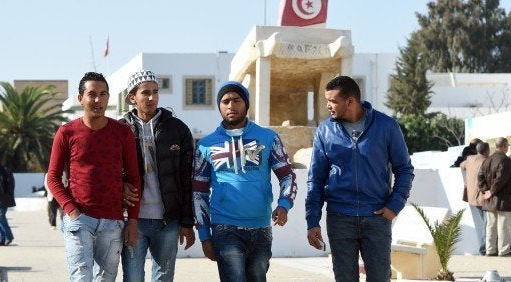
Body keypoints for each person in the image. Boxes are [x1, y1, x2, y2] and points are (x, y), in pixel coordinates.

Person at [306, 76, 415, 281]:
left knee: (380, 278)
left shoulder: (386, 126)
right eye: (327, 100)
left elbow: (404, 169)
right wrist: (312, 220)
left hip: (376, 218)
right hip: (340, 218)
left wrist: (395, 205)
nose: (328, 106)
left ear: (350, 101)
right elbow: (316, 180)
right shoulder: (325, 131)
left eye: (333, 101)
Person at [192, 81, 297, 282]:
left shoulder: (268, 138)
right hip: (224, 227)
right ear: (219, 106)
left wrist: (284, 205)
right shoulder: (206, 145)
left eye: (236, 100)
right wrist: (205, 235)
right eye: (225, 101)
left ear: (246, 104)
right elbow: (198, 193)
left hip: (261, 228)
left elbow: (287, 175)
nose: (231, 106)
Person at [46, 72, 141, 281]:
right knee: (81, 278)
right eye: (92, 94)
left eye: (103, 94)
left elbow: (134, 178)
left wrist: (132, 221)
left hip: (113, 222)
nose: (98, 100)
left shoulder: (122, 133)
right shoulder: (67, 132)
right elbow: (52, 177)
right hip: (80, 220)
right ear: (81, 98)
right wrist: (71, 211)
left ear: (108, 97)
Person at [119, 70, 195, 281]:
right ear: (132, 98)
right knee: (132, 277)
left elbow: (186, 179)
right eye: (145, 93)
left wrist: (187, 223)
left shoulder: (178, 129)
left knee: (164, 277)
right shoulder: (119, 130)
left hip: (168, 221)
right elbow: (111, 173)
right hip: (133, 220)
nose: (152, 97)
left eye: (155, 92)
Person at [477, 137, 511, 257]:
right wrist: (491, 192)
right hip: (503, 200)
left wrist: (485, 190)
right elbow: (501, 179)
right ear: (504, 146)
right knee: (504, 226)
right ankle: (504, 251)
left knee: (491, 226)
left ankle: (490, 250)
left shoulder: (487, 160)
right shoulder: (505, 160)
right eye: (507, 146)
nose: (508, 148)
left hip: (490, 201)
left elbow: (480, 177)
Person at [460, 142, 489, 255]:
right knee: (487, 223)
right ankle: (483, 248)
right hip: (483, 196)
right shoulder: (487, 161)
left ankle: (486, 247)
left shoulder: (469, 159)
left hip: (472, 197)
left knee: (485, 223)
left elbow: (462, 165)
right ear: (487, 151)